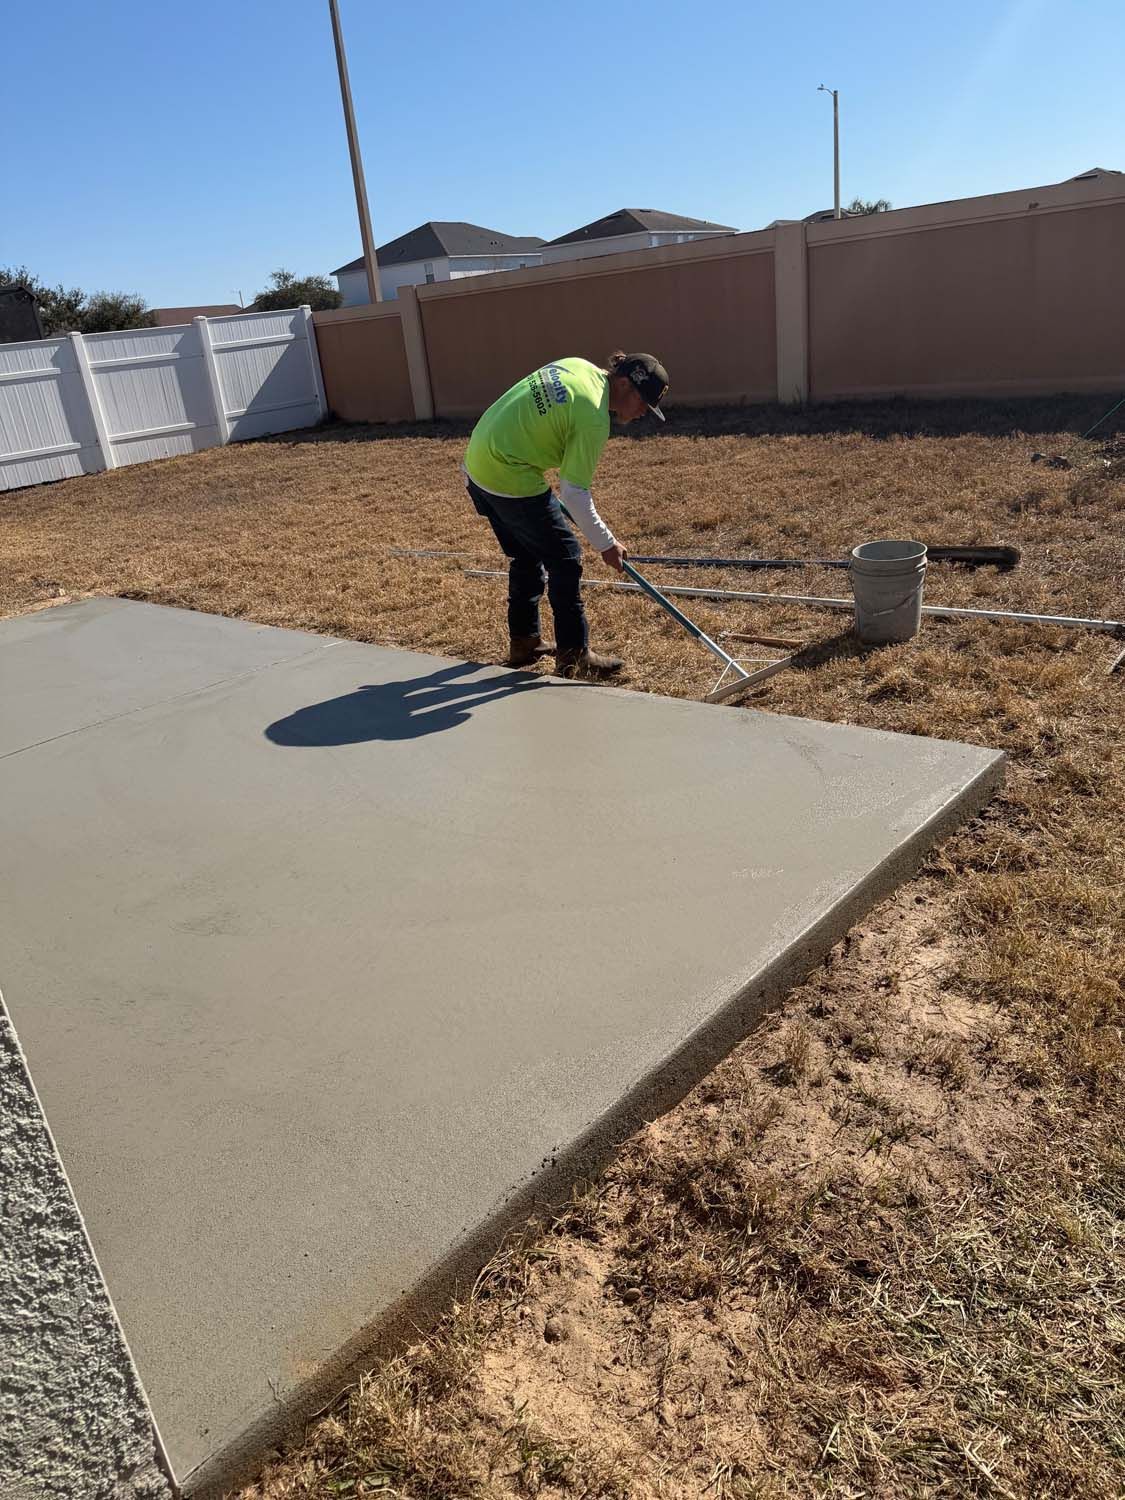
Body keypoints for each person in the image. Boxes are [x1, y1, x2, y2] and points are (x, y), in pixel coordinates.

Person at [462, 351, 669, 677]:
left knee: (526, 554)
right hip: (507, 471)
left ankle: (524, 642)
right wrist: (606, 543)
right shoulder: (594, 418)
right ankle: (574, 655)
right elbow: (574, 493)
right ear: (626, 384)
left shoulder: (578, 366)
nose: (644, 412)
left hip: (478, 460)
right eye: (644, 403)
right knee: (566, 557)